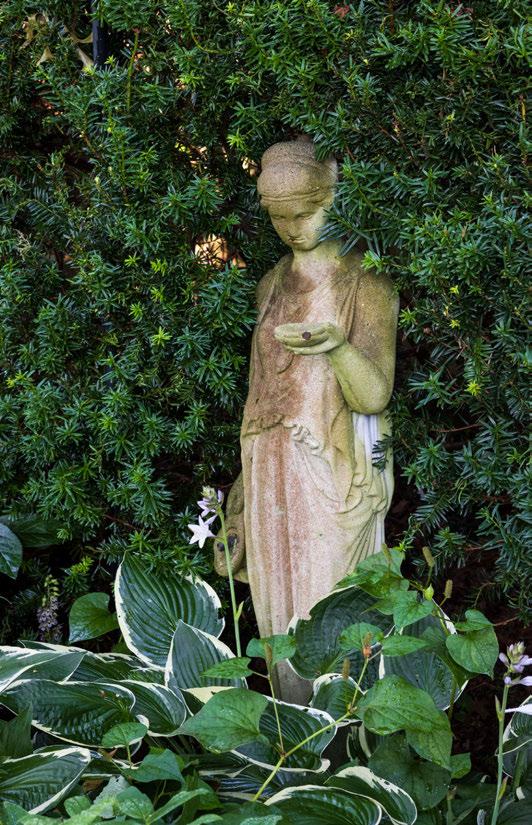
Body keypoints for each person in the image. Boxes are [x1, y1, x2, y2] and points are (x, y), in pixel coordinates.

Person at [214, 140, 398, 700]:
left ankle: (345, 737)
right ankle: (291, 736)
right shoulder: (271, 285)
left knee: (329, 609)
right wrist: (243, 487)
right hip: (269, 467)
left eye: (304, 214)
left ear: (332, 197)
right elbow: (260, 391)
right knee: (278, 614)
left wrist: (337, 347)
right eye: (279, 219)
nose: (292, 229)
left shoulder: (366, 282)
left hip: (332, 471)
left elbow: (374, 396)